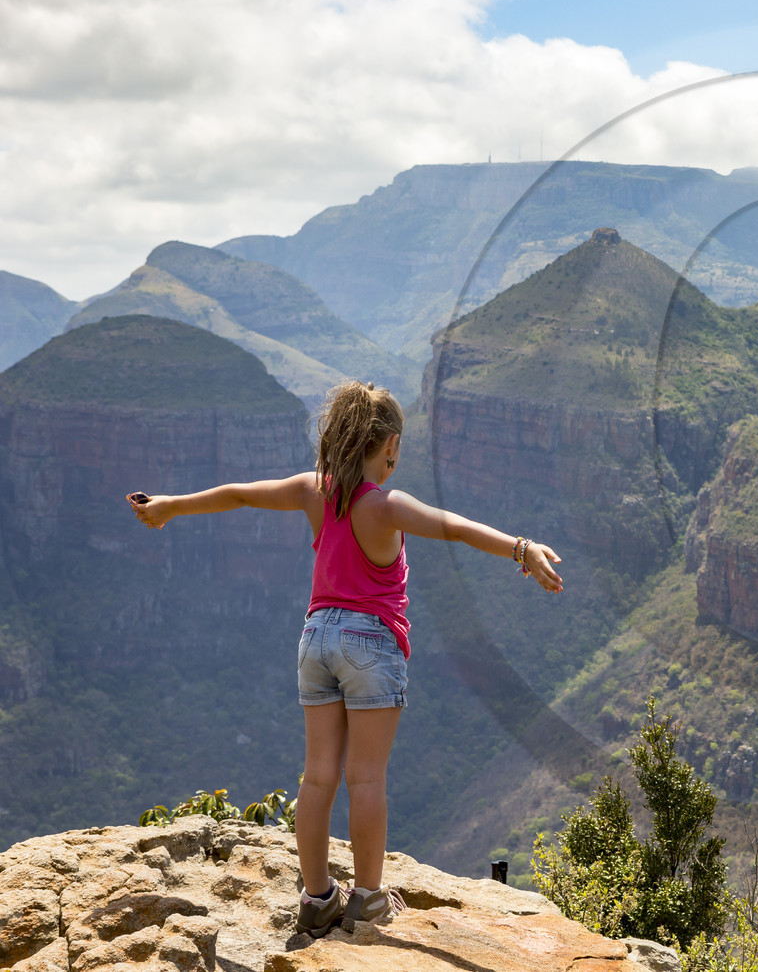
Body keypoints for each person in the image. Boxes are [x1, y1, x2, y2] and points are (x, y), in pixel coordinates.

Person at [127, 380, 561, 938]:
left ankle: (315, 899)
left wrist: (168, 507)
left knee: (317, 779)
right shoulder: (386, 504)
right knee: (366, 779)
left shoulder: (315, 490)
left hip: (315, 639)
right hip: (371, 643)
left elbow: (237, 493)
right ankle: (368, 900)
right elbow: (455, 527)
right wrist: (522, 548)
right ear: (391, 445)